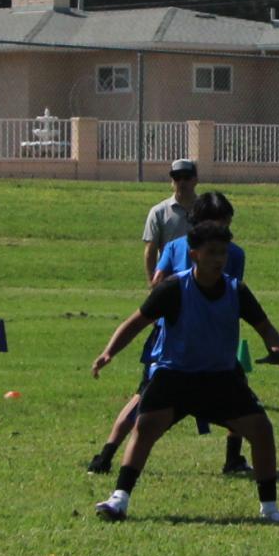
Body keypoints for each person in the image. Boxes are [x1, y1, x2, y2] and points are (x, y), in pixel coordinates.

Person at [89, 221, 279, 523]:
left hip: (220, 379)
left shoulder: (237, 290)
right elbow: (135, 323)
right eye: (211, 252)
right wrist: (108, 352)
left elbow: (266, 328)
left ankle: (270, 509)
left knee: (262, 431)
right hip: (175, 376)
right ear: (194, 254)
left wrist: (275, 349)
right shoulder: (173, 288)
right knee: (145, 429)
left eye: (223, 252)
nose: (219, 259)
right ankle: (119, 499)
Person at [87, 190, 250, 475]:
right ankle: (233, 459)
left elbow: (158, 283)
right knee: (237, 399)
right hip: (198, 342)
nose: (223, 232)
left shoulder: (175, 247)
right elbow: (230, 293)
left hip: (171, 338)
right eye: (222, 224)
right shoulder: (232, 253)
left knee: (145, 398)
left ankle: (105, 456)